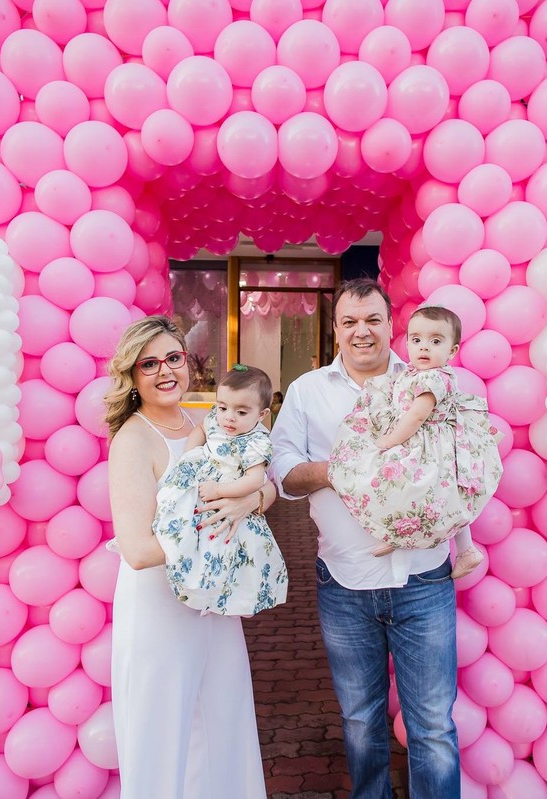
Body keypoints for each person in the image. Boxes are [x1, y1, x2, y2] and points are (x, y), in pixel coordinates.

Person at [270, 279, 461, 798]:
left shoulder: (429, 380)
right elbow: (283, 472)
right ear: (335, 329)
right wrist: (344, 469)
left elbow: (465, 457)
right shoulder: (309, 391)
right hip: (345, 582)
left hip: (424, 577)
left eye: (373, 320)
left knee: (434, 728)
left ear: (391, 324)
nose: (362, 332)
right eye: (350, 321)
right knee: (359, 721)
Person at [105, 315, 275, 799]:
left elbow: (266, 485)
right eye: (149, 363)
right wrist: (223, 524)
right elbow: (138, 550)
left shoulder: (208, 424)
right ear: (132, 375)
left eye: (173, 358)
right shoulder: (133, 441)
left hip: (214, 606)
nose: (165, 371)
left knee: (223, 726)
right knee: (163, 738)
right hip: (159, 609)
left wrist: (249, 501)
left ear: (189, 362)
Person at [328, 305, 501, 580]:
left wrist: (389, 440)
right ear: (407, 341)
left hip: (427, 445)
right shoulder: (412, 374)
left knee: (436, 495)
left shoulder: (435, 377)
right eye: (417, 340)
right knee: (409, 492)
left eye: (436, 341)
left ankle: (466, 550)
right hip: (419, 442)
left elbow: (417, 416)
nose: (424, 348)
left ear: (453, 351)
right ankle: (399, 532)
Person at [153, 364, 289, 616]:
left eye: (241, 412)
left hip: (228, 493)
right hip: (204, 482)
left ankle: (218, 593)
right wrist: (192, 454)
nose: (228, 417)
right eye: (223, 407)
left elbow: (254, 480)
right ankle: (196, 583)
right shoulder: (216, 419)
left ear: (261, 415)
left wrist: (220, 489)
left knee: (224, 544)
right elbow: (201, 429)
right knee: (183, 519)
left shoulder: (256, 441)